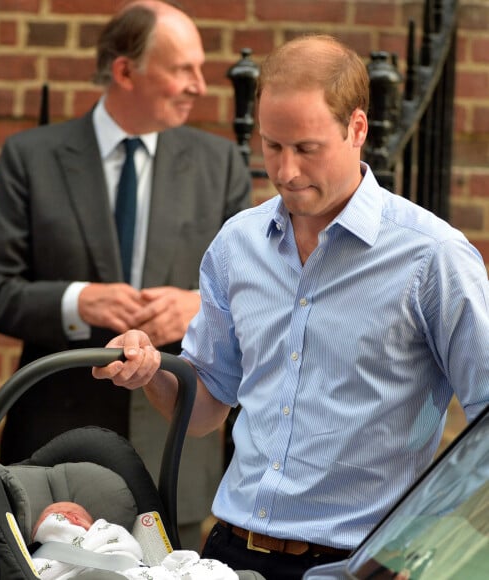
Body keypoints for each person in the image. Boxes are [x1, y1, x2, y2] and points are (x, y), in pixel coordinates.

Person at [91, 34, 489, 580]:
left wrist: (429, 552)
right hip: (229, 554)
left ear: (357, 129)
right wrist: (151, 372)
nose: (286, 171)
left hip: (361, 565)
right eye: (272, 145)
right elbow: (206, 407)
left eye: (306, 148)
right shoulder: (238, 244)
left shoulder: (433, 257)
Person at [0, 0, 252, 550]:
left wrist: (196, 304)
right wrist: (79, 302)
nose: (200, 85)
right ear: (126, 71)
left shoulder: (220, 164)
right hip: (55, 448)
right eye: (182, 70)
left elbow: (255, 294)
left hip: (171, 449)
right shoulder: (32, 156)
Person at [30, 501, 239, 579]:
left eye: (71, 513)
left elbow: (129, 550)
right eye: (60, 514)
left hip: (125, 570)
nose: (67, 517)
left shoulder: (102, 532)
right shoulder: (39, 551)